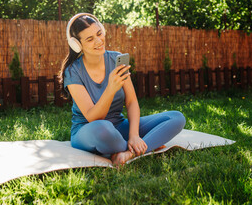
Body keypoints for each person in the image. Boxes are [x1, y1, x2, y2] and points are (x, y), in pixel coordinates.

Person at [59, 13, 186, 166]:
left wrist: (134, 135)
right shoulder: (73, 71)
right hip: (89, 130)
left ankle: (129, 152)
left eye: (99, 34)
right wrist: (111, 89)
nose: (99, 41)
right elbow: (93, 117)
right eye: (90, 39)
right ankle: (148, 144)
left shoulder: (116, 59)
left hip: (118, 127)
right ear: (77, 45)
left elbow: (131, 101)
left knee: (177, 118)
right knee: (104, 128)